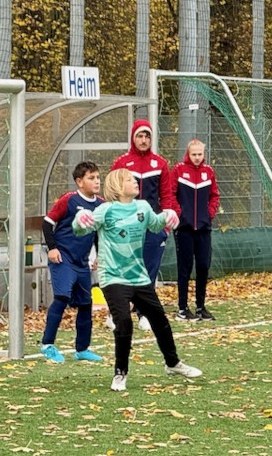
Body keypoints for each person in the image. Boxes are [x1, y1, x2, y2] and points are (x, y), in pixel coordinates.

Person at [73, 168, 203, 392]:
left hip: (139, 276)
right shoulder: (106, 210)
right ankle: (120, 373)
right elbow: (80, 229)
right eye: (130, 180)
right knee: (123, 322)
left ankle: (173, 364)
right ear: (117, 186)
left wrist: (168, 217)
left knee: (160, 321)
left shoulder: (142, 207)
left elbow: (155, 223)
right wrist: (79, 219)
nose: (136, 182)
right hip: (113, 277)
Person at [39, 161, 105, 364]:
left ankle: (82, 349)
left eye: (97, 178)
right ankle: (47, 345)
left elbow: (97, 232)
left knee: (86, 303)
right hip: (63, 258)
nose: (96, 181)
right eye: (91, 178)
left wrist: (99, 255)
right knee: (62, 297)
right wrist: (52, 248)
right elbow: (47, 223)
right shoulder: (69, 200)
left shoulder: (100, 204)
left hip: (82, 261)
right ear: (79, 181)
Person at [111, 120, 169, 330]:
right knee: (124, 268)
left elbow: (167, 195)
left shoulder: (160, 163)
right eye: (140, 136)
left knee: (148, 271)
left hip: (152, 228)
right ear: (133, 138)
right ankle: (117, 312)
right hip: (127, 226)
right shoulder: (122, 162)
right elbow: (112, 194)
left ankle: (144, 313)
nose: (143, 140)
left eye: (147, 136)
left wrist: (165, 225)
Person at [162, 139, 221, 322]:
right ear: (188, 154)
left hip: (204, 228)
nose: (197, 158)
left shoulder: (208, 172)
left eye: (200, 154)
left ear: (204, 154)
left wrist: (209, 213)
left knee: (203, 266)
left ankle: (201, 307)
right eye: (194, 154)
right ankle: (182, 308)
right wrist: (179, 214)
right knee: (184, 269)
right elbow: (170, 193)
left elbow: (214, 196)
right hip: (184, 229)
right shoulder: (179, 170)